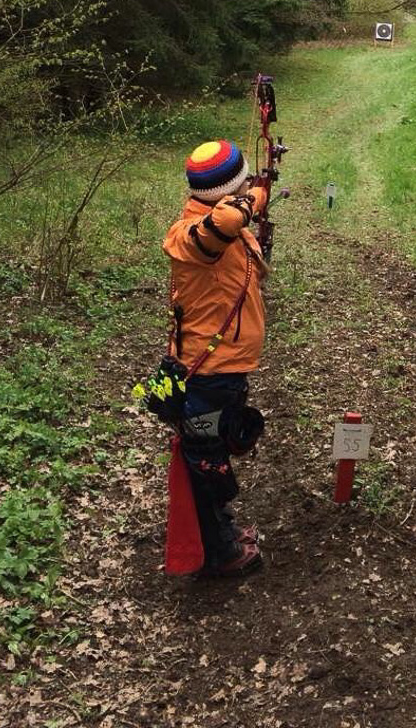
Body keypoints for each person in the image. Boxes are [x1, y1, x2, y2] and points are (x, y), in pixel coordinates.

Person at [162, 139, 269, 577]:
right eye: (241, 180)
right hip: (206, 374)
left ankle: (222, 533)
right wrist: (254, 195)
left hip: (221, 371)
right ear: (226, 189)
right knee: (206, 464)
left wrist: (251, 196)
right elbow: (225, 221)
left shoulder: (219, 225)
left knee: (213, 452)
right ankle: (218, 554)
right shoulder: (191, 233)